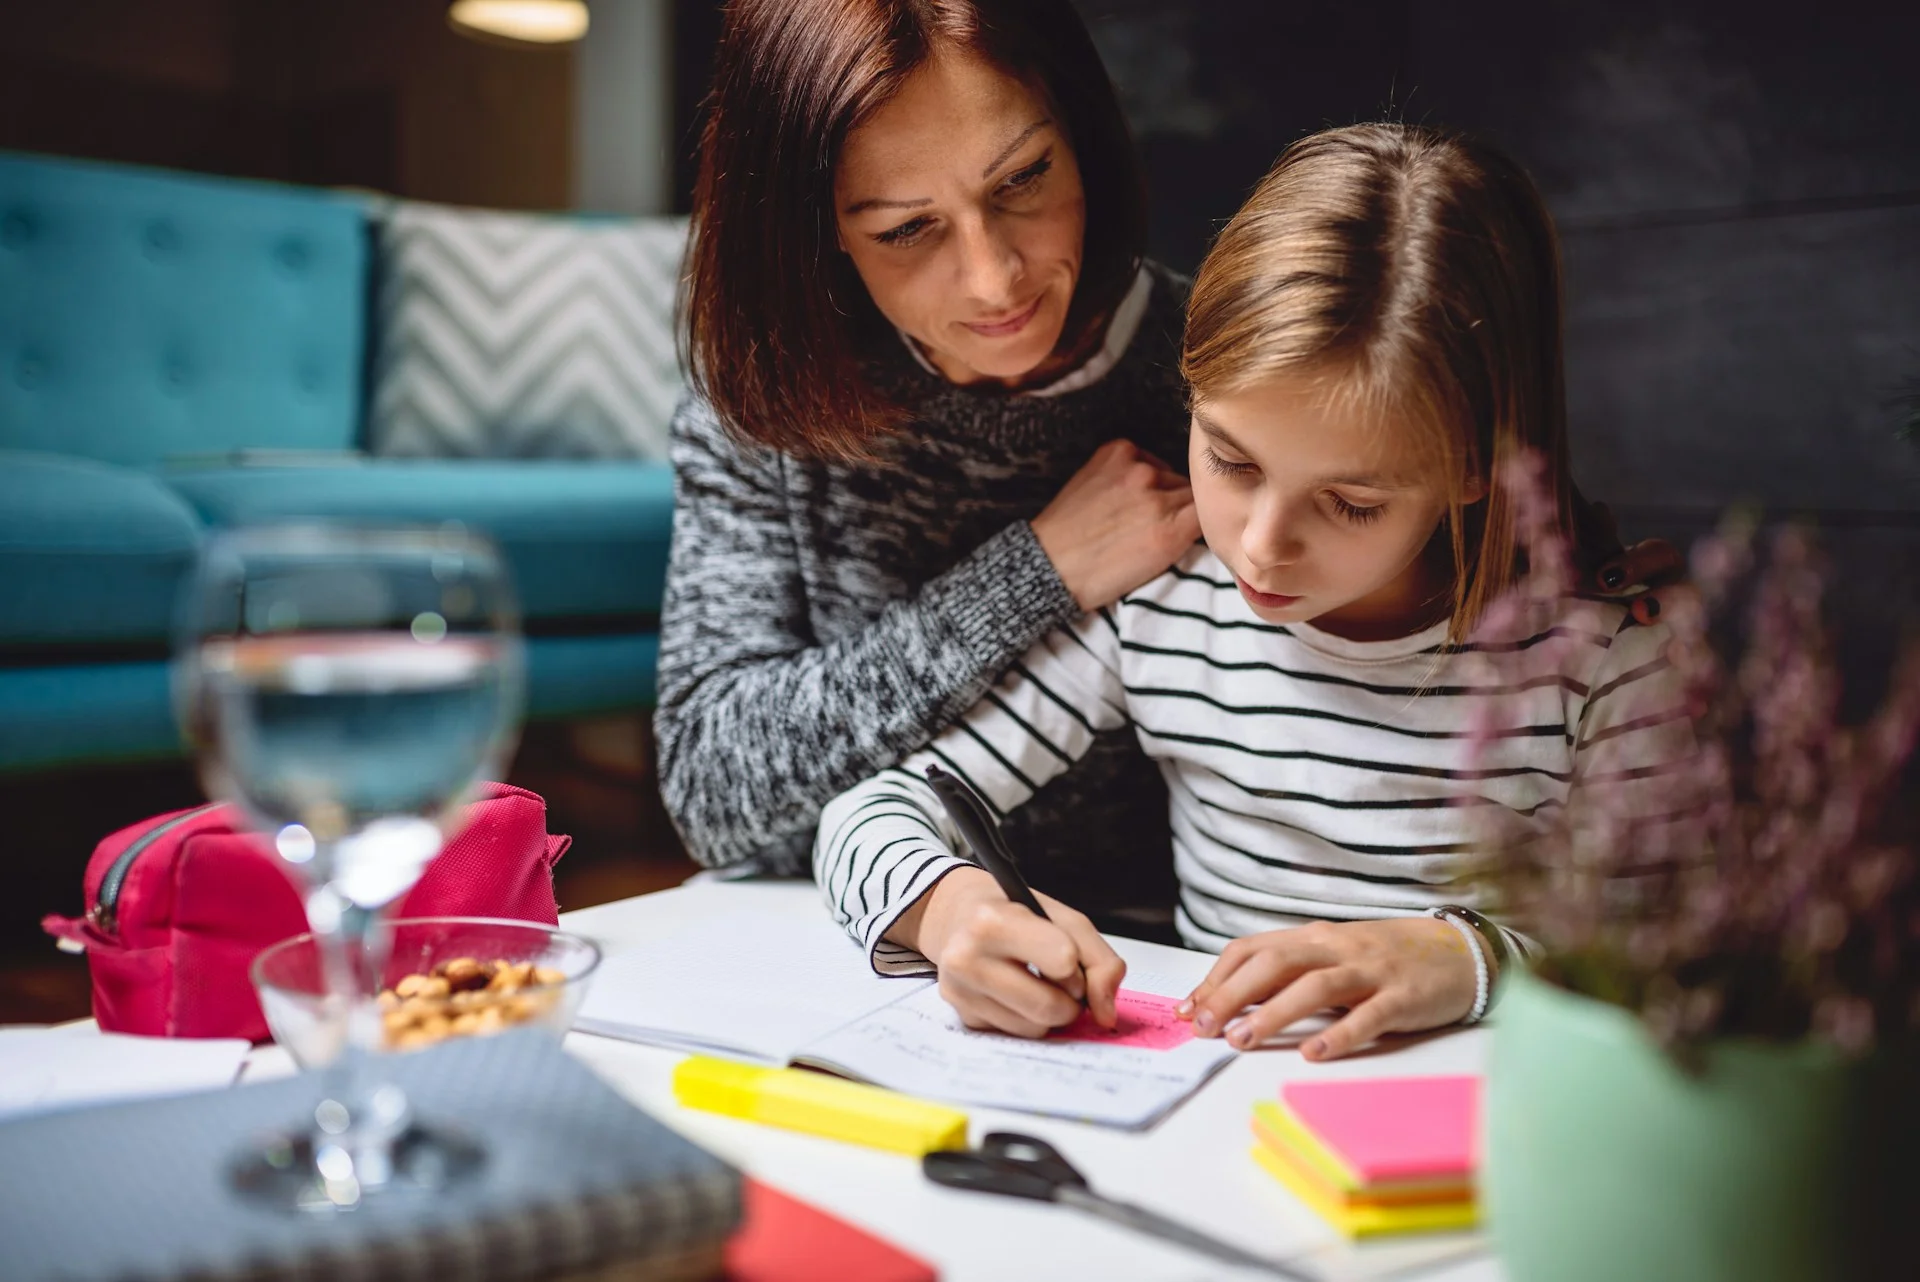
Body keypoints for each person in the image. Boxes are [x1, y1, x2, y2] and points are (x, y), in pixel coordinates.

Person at [658, 0, 1677, 931]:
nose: (994, 274)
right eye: (907, 228)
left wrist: (1592, 575)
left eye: (1025, 180)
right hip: (847, 931)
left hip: (1159, 957)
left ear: (1085, 141)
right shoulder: (765, 391)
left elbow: (1440, 437)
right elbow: (714, 793)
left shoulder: (1242, 359)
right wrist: (1034, 575)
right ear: (816, 231)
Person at [812, 123, 1695, 1062]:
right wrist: (953, 914)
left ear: (1476, 469)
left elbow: (1671, 953)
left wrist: (1465, 960)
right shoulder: (1162, 610)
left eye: (1351, 504)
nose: (1263, 547)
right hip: (1206, 1117)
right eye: (1229, 460)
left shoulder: (1607, 656)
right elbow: (868, 812)